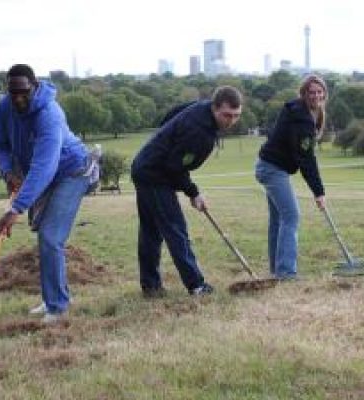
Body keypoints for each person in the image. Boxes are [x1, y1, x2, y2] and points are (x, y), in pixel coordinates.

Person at [0, 64, 98, 323]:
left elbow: (44, 167)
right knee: (45, 235)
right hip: (45, 175)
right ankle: (55, 297)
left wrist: (15, 209)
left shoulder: (49, 114)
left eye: (23, 92)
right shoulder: (5, 107)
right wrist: (8, 173)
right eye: (12, 92)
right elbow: (0, 145)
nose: (18, 98)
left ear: (34, 85)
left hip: (73, 171)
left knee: (51, 236)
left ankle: (57, 308)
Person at [131, 86, 243, 297]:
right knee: (175, 228)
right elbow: (176, 167)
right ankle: (196, 286)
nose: (231, 121)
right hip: (154, 174)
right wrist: (193, 192)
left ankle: (151, 287)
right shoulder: (200, 133)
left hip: (146, 167)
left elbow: (173, 113)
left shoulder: (201, 109)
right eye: (226, 115)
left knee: (151, 232)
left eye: (236, 116)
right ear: (215, 107)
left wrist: (165, 137)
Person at [255, 74, 327, 280]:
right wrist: (319, 192)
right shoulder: (301, 118)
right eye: (311, 92)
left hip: (270, 167)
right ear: (303, 93)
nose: (315, 95)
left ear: (324, 94)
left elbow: (304, 155)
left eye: (319, 91)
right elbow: (305, 158)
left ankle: (276, 270)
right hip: (272, 169)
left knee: (278, 220)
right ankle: (286, 273)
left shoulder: (304, 112)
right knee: (291, 216)